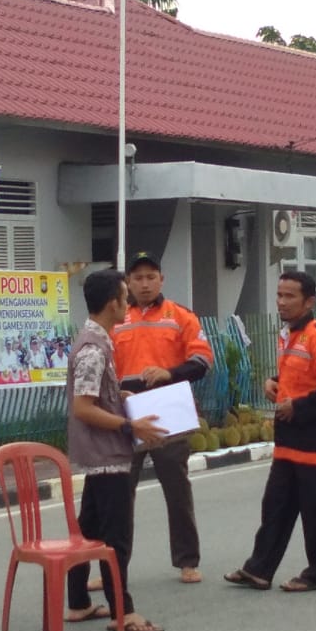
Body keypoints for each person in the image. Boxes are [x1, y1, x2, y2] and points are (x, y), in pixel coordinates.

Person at [225, 270, 316, 593]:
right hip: (289, 437)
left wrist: (297, 407)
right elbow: (296, 378)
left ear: (309, 301)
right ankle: (259, 569)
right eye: (279, 295)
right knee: (276, 505)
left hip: (315, 437)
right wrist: (274, 384)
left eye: (289, 296)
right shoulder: (287, 336)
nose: (281, 302)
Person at [64, 269, 167, 631]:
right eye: (126, 297)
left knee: (87, 530)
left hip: (99, 456)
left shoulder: (97, 341)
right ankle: (121, 611)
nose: (130, 303)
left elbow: (96, 397)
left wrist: (118, 396)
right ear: (113, 303)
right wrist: (129, 425)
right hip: (107, 456)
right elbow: (83, 407)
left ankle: (78, 602)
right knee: (116, 539)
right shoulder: (93, 349)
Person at [111, 251, 214, 585]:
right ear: (127, 282)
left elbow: (202, 362)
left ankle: (188, 560)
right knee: (118, 493)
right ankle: (112, 565)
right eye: (137, 277)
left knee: (177, 490)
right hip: (125, 413)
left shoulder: (180, 316)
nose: (144, 283)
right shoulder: (115, 319)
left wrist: (169, 372)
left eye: (150, 276)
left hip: (167, 410)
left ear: (162, 280)